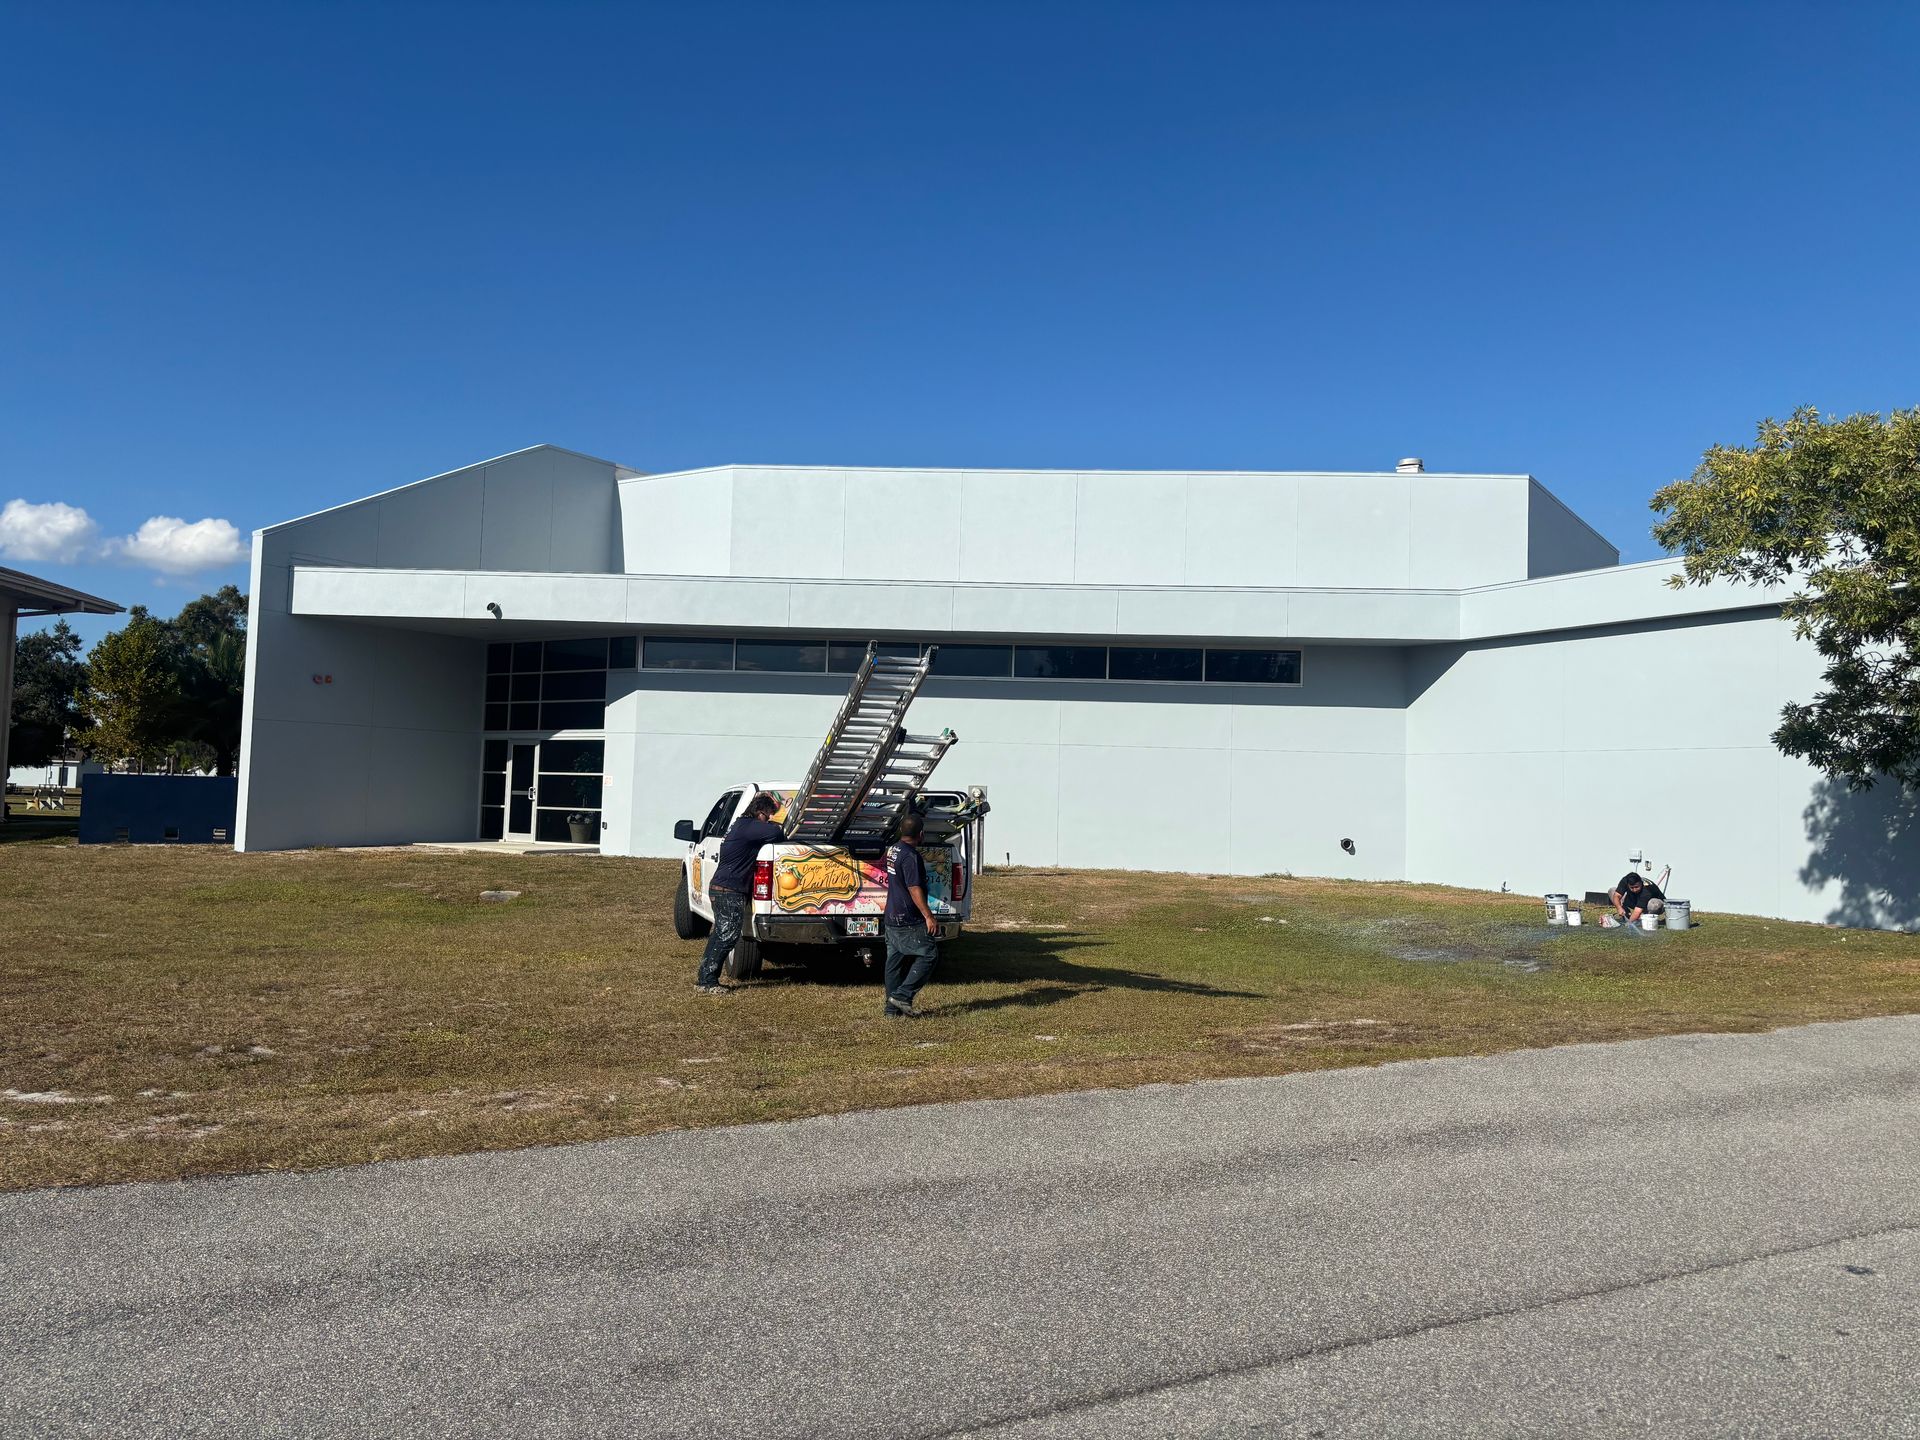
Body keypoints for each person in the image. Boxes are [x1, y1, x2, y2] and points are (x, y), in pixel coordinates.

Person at [695, 792, 784, 993]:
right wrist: (778, 826)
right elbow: (778, 835)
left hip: (722, 887)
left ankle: (705, 978)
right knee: (727, 936)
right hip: (729, 891)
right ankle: (708, 981)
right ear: (760, 811)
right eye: (768, 815)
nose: (769, 819)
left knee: (720, 934)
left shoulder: (740, 825)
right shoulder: (750, 827)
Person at [881, 812, 941, 1017]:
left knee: (894, 962)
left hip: (891, 914)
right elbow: (914, 888)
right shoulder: (910, 856)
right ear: (921, 834)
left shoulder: (894, 849)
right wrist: (928, 916)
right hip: (907, 918)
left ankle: (891, 1010)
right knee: (929, 954)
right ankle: (903, 996)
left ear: (901, 831)